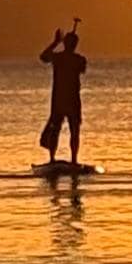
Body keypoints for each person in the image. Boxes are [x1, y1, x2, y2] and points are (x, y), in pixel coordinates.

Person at [38, 21, 87, 165]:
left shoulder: (69, 59)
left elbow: (44, 57)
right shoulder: (74, 59)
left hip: (66, 100)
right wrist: (55, 42)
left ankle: (68, 160)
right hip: (65, 100)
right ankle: (62, 159)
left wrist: (56, 43)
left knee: (68, 129)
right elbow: (43, 57)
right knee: (59, 129)